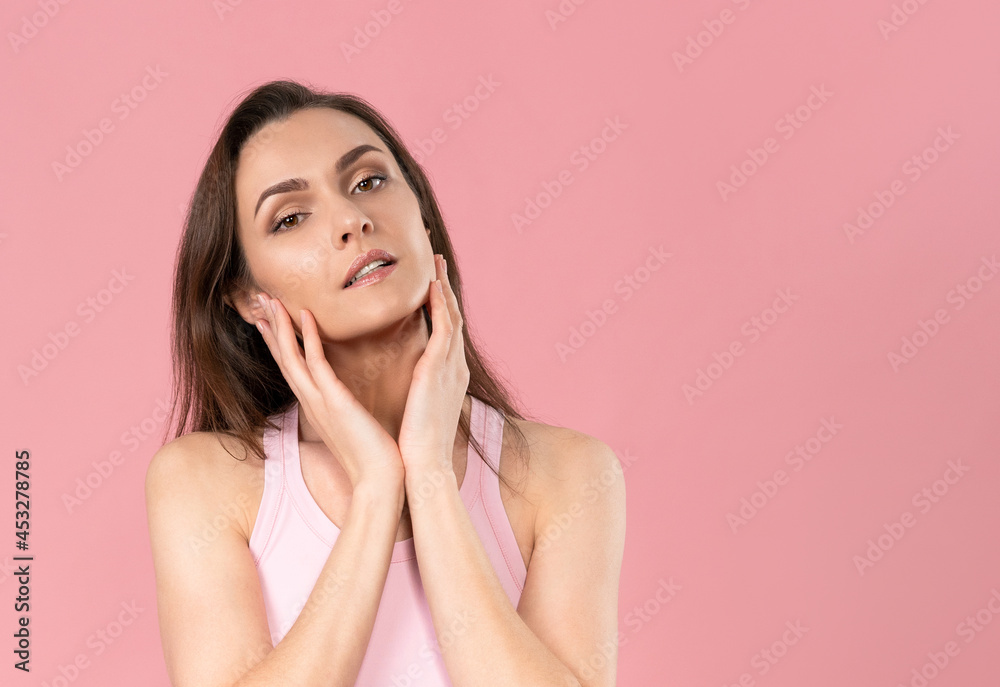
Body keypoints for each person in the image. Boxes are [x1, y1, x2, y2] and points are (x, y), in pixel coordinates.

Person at [144, 79, 625, 687]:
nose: (352, 220)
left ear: (421, 215)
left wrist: (430, 475)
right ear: (248, 297)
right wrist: (376, 488)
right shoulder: (205, 482)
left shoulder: (569, 475)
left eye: (369, 182)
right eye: (290, 218)